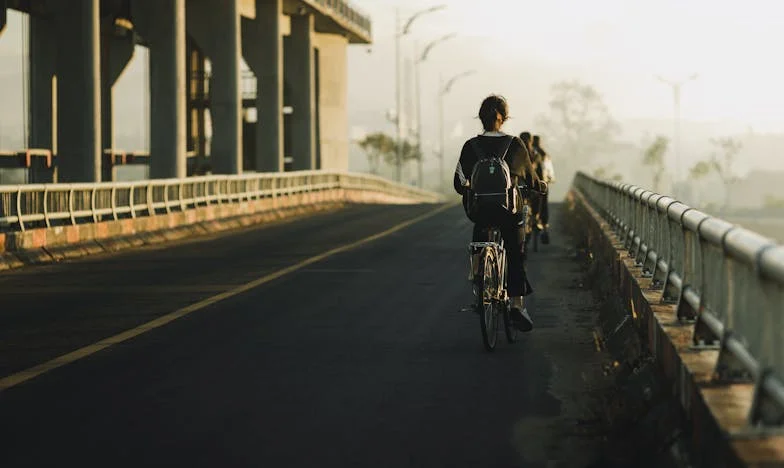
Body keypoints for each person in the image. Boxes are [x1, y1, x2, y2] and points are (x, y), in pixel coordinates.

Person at [454, 95, 546, 332]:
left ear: (481, 118)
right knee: (515, 252)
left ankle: (479, 277)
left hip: (480, 211)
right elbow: (532, 180)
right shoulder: (515, 145)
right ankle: (516, 304)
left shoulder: (469, 147)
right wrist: (539, 187)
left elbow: (458, 183)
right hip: (508, 212)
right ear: (504, 118)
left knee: (480, 233)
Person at [532, 135, 555, 235]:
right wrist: (550, 179)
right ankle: (544, 225)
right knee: (544, 202)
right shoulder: (544, 155)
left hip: (532, 182)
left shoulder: (530, 153)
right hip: (543, 182)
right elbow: (549, 171)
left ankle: (533, 218)